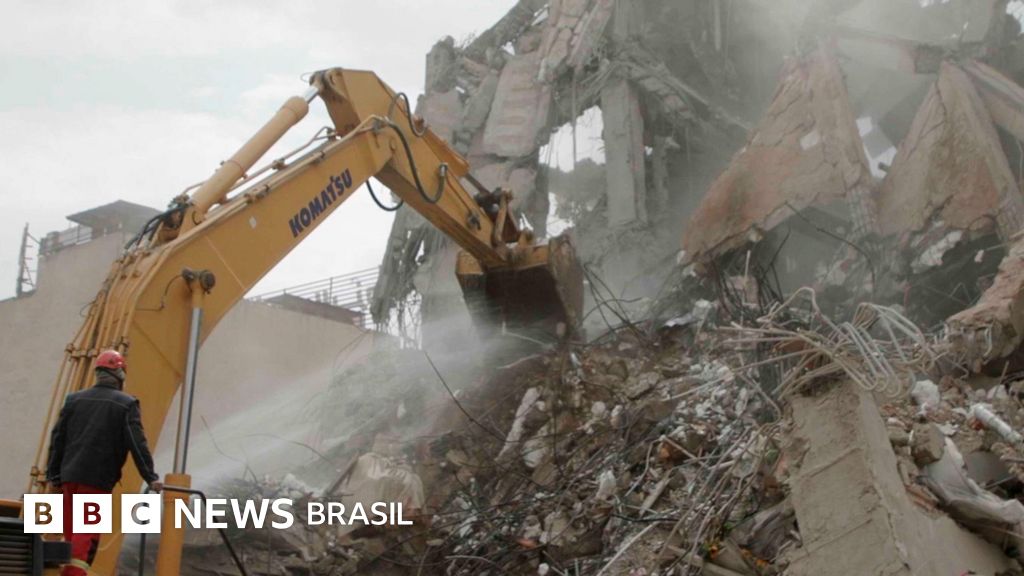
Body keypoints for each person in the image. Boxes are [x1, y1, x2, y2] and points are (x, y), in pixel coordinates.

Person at [46, 350, 162, 576]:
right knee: (86, 533)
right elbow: (137, 443)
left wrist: (54, 476)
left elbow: (57, 439)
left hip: (69, 478)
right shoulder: (126, 404)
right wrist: (151, 477)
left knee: (71, 532)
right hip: (96, 480)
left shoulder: (74, 400)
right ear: (120, 375)